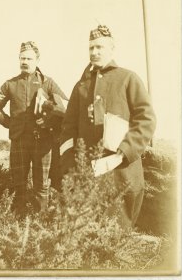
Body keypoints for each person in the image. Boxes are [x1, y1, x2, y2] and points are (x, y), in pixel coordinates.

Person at [60, 25, 156, 227]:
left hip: (122, 172)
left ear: (112, 49)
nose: (94, 53)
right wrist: (72, 164)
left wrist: (120, 155)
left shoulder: (128, 78)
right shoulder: (81, 86)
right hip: (88, 174)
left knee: (118, 235)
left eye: (99, 47)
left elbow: (146, 120)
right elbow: (68, 128)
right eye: (91, 48)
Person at [0, 41, 67, 213]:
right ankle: (19, 224)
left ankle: (40, 224)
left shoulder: (48, 83)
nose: (25, 61)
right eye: (22, 58)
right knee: (19, 184)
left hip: (43, 141)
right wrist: (11, 124)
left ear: (37, 60)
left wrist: (49, 122)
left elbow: (64, 108)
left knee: (42, 185)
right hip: (19, 140)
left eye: (29, 58)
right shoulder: (10, 84)